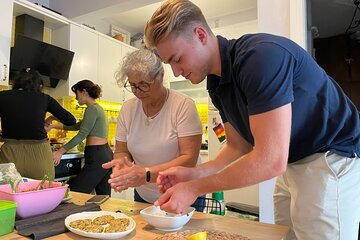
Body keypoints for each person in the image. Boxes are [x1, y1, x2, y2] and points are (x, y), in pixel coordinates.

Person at [144, 1, 360, 240]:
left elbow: (270, 160)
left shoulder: (260, 57)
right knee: (286, 236)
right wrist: (195, 175)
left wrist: (195, 188)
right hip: (292, 164)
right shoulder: (216, 83)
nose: (175, 72)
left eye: (177, 59)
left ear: (201, 35)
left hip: (330, 159)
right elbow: (239, 145)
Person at [102, 48, 205, 211]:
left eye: (144, 85)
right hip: (144, 195)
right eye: (133, 86)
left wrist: (146, 174)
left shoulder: (183, 105)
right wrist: (121, 167)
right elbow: (121, 151)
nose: (138, 92)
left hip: (183, 193)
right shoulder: (128, 109)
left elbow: (189, 159)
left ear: (161, 75)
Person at [0, 68, 76, 180]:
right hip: (40, 156)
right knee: (43, 194)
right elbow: (71, 121)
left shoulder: (3, 96)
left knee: (8, 195)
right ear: (39, 85)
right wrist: (52, 117)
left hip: (10, 156)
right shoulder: (45, 99)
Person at [47, 80, 112, 195]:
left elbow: (82, 134)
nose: (76, 98)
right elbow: (76, 126)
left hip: (97, 155)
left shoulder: (91, 109)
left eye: (76, 94)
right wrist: (53, 123)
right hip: (105, 153)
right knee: (103, 196)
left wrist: (60, 151)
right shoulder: (97, 108)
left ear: (84, 92)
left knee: (76, 193)